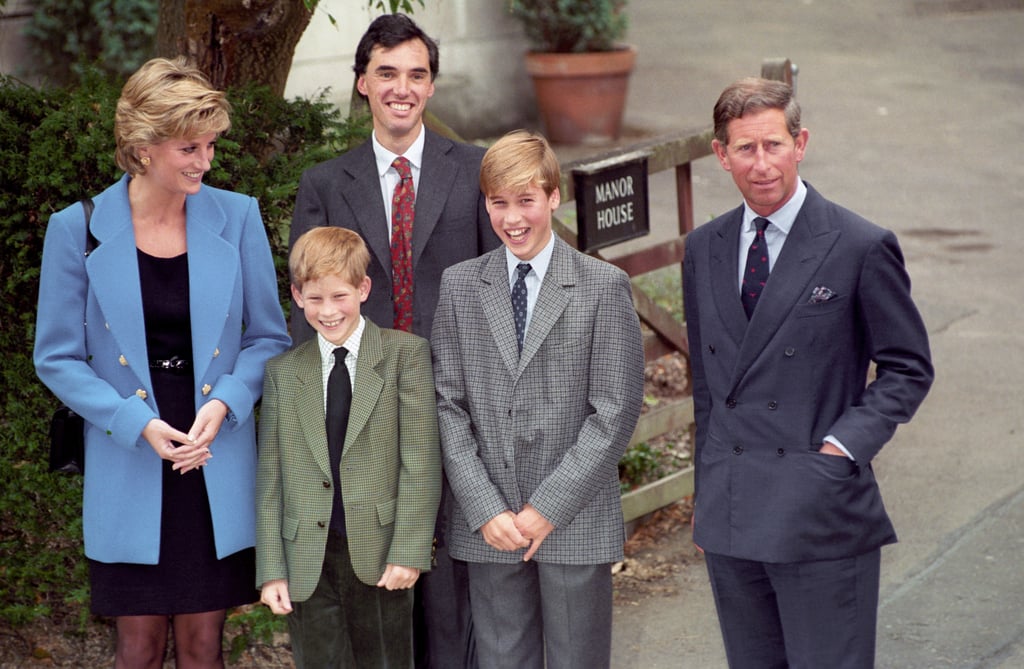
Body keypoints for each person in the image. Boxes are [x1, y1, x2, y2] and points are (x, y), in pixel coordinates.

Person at [33, 57, 290, 668]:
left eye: (209, 145)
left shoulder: (240, 215)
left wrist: (226, 402)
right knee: (138, 648)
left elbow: (268, 338)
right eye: (189, 147)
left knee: (205, 649)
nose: (205, 161)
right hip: (129, 454)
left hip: (214, 454)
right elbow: (58, 357)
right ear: (144, 148)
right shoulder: (77, 230)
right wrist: (134, 422)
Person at [683, 77, 934, 668]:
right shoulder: (704, 247)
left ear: (801, 143)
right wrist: (706, 483)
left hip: (819, 508)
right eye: (745, 148)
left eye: (774, 144)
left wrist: (842, 448)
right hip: (732, 505)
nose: (761, 163)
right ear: (721, 154)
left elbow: (908, 367)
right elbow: (707, 387)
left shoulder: (859, 244)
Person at [288, 13, 500, 667]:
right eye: (386, 73)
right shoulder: (326, 184)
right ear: (362, 84)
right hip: (365, 416)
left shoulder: (474, 171)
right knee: (378, 588)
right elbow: (305, 308)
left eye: (416, 74)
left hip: (457, 407)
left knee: (452, 593)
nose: (401, 88)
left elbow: (498, 290)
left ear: (432, 85)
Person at [431, 130, 646, 669]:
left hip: (574, 516)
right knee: (502, 659)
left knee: (577, 659)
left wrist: (547, 508)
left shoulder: (602, 286)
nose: (512, 218)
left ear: (553, 197)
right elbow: (447, 406)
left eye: (526, 200)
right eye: (498, 203)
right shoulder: (460, 286)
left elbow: (615, 411)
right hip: (491, 523)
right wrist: (484, 508)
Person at [256, 226, 441, 667]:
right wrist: (271, 570)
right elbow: (270, 479)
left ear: (363, 288)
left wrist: (409, 551)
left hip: (379, 553)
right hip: (306, 560)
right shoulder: (284, 372)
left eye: (339, 296)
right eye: (315, 298)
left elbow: (420, 462)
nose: (328, 310)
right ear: (298, 296)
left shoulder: (404, 356)